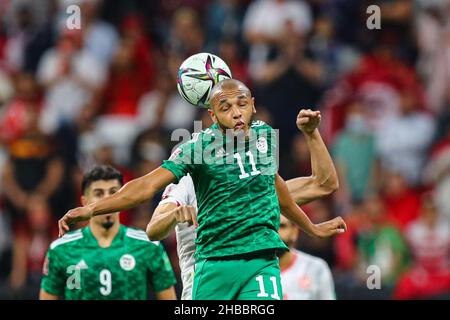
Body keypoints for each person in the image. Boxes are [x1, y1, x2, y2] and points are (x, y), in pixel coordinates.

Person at [58, 79, 346, 300]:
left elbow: (277, 190)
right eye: (225, 108)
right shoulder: (196, 150)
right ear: (212, 114)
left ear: (253, 105)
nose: (236, 113)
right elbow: (146, 188)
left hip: (261, 260)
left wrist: (312, 228)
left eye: (241, 104)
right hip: (212, 264)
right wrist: (92, 209)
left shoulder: (264, 138)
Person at [146, 108, 339, 300]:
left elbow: (323, 184)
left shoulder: (256, 183)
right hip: (206, 283)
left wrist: (311, 133)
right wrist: (175, 215)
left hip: (251, 279)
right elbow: (154, 229)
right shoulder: (187, 179)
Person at [40, 165, 176, 300]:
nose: (107, 200)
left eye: (113, 193)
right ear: (84, 202)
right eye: (99, 194)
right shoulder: (62, 249)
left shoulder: (148, 246)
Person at [278, 215, 335, 300]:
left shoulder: (316, 268)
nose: (276, 232)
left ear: (294, 232)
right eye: (271, 227)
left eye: (282, 226)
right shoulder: (253, 269)